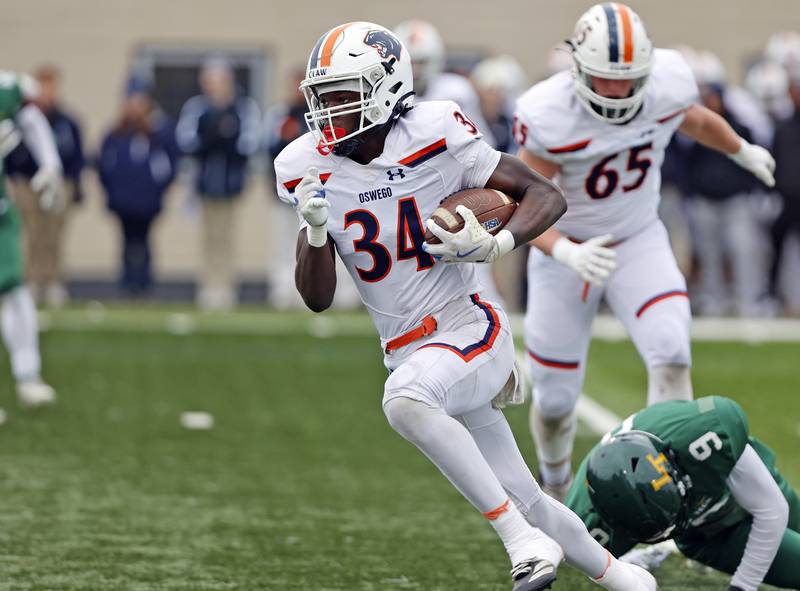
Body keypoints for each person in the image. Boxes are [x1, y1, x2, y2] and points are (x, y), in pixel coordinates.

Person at [275, 21, 656, 591]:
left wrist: (497, 243)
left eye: (342, 96)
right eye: (322, 97)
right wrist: (313, 232)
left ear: (384, 89)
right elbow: (318, 299)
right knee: (529, 496)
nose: (327, 112)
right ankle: (626, 579)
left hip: (470, 326)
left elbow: (545, 195)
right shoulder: (305, 166)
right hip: (408, 349)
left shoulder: (434, 130)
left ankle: (519, 543)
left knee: (405, 402)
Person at [513, 3, 776, 499]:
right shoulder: (549, 113)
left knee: (673, 354)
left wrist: (740, 149)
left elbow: (695, 121)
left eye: (627, 79)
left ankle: (670, 491)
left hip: (638, 237)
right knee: (554, 400)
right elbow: (520, 204)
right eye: (603, 78)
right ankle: (554, 486)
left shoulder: (667, 84)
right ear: (577, 68)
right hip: (565, 250)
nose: (615, 90)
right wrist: (565, 251)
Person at [565, 396, 800, 591]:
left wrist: (742, 586)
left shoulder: (705, 435)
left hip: (749, 488)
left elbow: (771, 509)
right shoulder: (588, 529)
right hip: (712, 535)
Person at [177, 56, 261, 310]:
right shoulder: (197, 108)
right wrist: (213, 137)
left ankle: (226, 288)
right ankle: (208, 287)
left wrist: (223, 140)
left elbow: (248, 144)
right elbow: (187, 141)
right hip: (204, 182)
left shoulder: (243, 107)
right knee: (208, 237)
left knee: (226, 236)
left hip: (230, 183)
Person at [0, 71, 63, 406]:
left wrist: (50, 164)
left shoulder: (7, 88)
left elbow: (32, 118)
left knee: (15, 289)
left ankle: (28, 374)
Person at [5, 65, 84, 307]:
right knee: (31, 234)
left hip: (56, 180)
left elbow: (74, 155)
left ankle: (53, 282)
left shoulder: (66, 121)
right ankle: (30, 281)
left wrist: (70, 181)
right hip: (27, 182)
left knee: (53, 234)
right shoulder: (20, 116)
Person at [97, 76, 178, 295]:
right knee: (126, 242)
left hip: (147, 201)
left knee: (143, 242)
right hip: (122, 200)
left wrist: (158, 191)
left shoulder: (158, 133)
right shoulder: (116, 133)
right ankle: (127, 284)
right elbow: (104, 167)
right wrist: (112, 192)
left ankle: (144, 284)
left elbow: (170, 166)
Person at [770, 66, 800, 313]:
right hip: (788, 197)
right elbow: (776, 160)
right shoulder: (783, 126)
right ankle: (780, 298)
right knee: (780, 249)